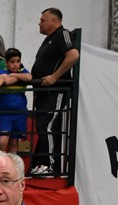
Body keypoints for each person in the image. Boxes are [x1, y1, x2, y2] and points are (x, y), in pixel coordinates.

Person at [29, 8, 79, 177]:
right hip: (44, 92)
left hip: (55, 91)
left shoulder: (62, 34)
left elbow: (73, 55)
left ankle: (49, 165)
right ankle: (40, 163)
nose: (39, 23)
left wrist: (55, 77)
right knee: (42, 125)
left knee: (47, 125)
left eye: (43, 20)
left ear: (54, 21)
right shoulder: (48, 40)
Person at [0, 47, 31, 155]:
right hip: (4, 114)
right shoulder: (2, 72)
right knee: (2, 141)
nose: (15, 64)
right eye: (12, 62)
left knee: (14, 142)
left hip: (19, 113)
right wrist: (17, 77)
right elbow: (7, 81)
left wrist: (14, 75)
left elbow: (29, 77)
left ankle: (12, 168)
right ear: (6, 63)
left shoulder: (22, 72)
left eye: (18, 61)